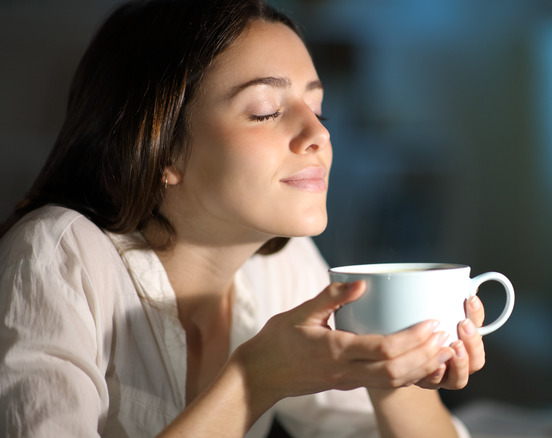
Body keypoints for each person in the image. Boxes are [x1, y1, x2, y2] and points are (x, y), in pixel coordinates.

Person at [0, 0, 487, 436]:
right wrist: (254, 380)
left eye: (319, 109)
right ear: (162, 149)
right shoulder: (55, 253)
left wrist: (395, 368)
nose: (318, 133)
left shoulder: (280, 263)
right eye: (265, 111)